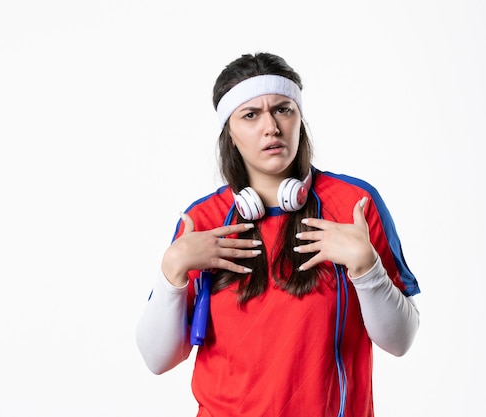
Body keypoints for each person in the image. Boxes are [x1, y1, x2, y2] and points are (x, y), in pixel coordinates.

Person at [136, 52, 420, 417]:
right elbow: (158, 359)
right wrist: (172, 270)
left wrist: (368, 270)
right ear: (231, 135)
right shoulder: (201, 219)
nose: (271, 126)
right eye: (250, 115)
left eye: (283, 109)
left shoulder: (356, 205)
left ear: (299, 119)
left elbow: (400, 341)